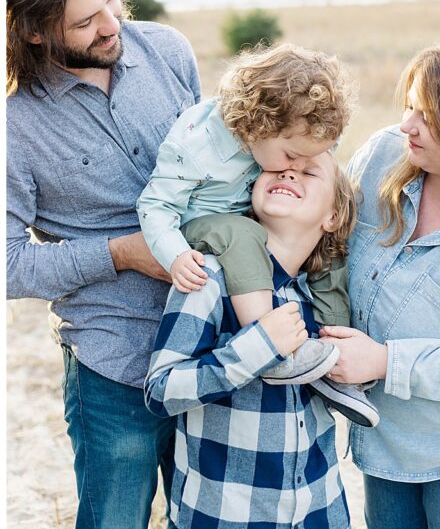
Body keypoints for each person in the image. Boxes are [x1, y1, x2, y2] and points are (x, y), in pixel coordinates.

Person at [6, 0, 198, 529]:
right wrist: (121, 254)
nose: (113, 24)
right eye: (86, 21)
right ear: (35, 30)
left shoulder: (167, 50)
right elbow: (7, 266)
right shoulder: (14, 125)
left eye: (111, 0)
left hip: (214, 352)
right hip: (113, 365)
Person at [317, 41, 440, 529]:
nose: (407, 125)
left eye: (427, 116)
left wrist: (383, 361)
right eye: (409, 106)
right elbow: (323, 236)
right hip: (382, 439)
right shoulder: (383, 156)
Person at [136, 42, 378, 426]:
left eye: (306, 161)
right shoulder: (197, 143)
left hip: (244, 216)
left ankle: (336, 361)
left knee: (329, 255)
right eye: (291, 157)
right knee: (243, 233)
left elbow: (315, 157)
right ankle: (272, 349)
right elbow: (155, 206)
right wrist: (176, 256)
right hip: (201, 225)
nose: (295, 167)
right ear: (259, 126)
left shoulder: (285, 132)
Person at [144, 151, 356, 529]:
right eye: (277, 167)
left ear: (333, 217)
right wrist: (258, 346)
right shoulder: (208, 276)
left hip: (320, 525)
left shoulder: (320, 298)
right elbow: (161, 389)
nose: (290, 170)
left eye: (309, 171)